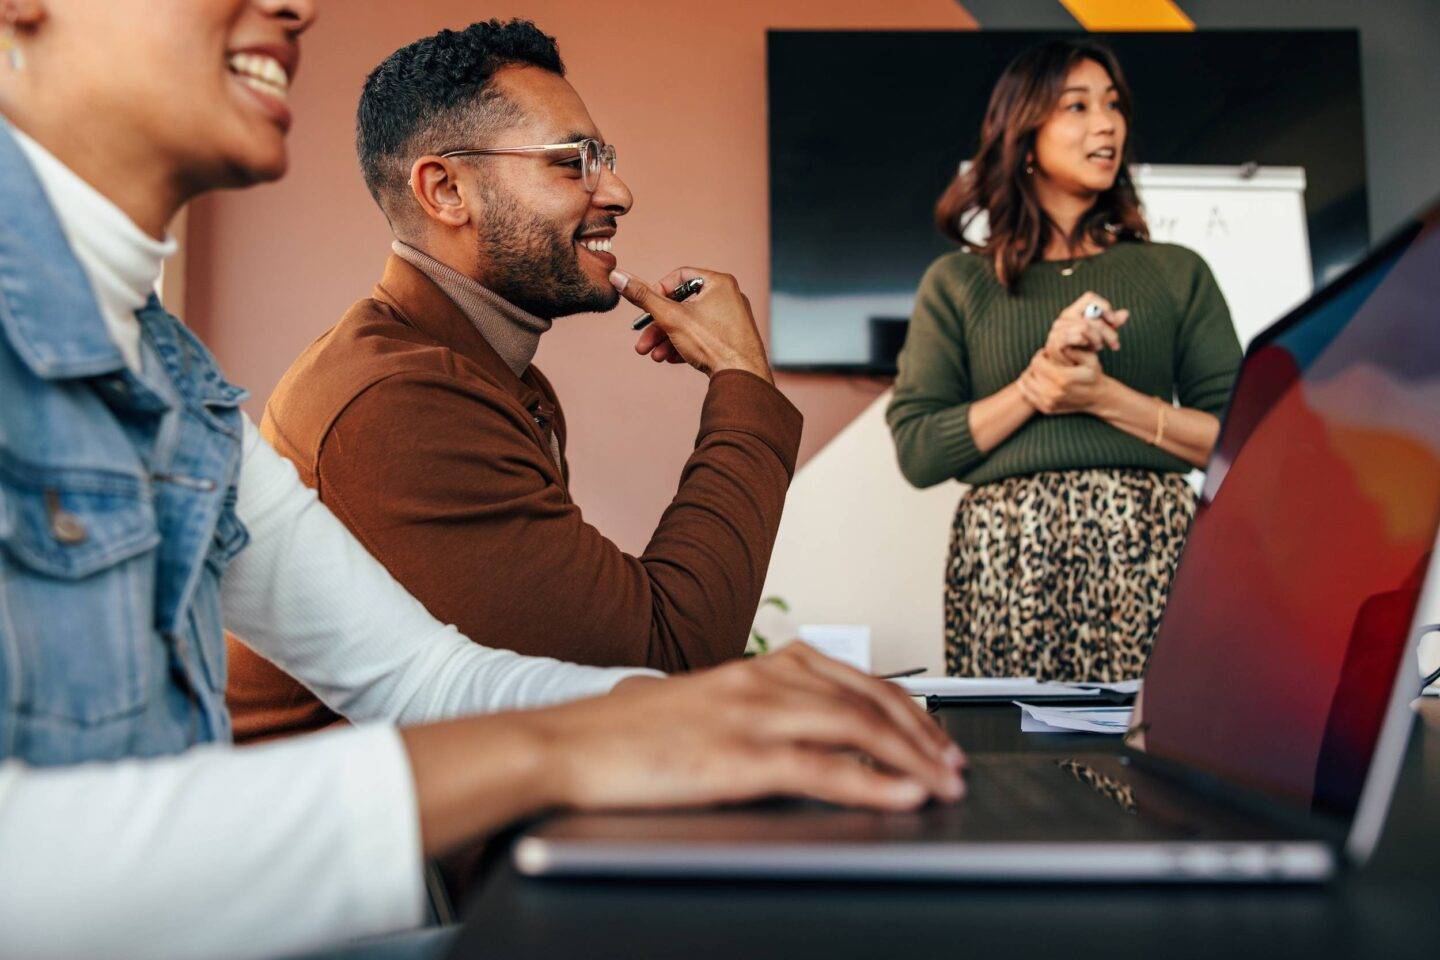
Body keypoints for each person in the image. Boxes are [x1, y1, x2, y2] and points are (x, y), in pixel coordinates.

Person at [0, 3, 966, 958]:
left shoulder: (172, 377)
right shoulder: (392, 394)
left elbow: (419, 673)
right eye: (572, 160)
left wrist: (682, 710)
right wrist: (584, 733)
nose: (298, 7)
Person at [226, 20, 800, 742]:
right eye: (572, 163)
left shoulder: (486, 373)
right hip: (340, 851)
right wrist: (743, 379)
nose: (618, 192)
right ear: (445, 190)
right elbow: (658, 669)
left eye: (605, 159)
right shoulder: (399, 403)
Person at [886, 38, 1242, 684]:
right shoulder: (958, 283)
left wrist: (1103, 397)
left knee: (1152, 763)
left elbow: (1241, 443)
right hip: (1005, 565)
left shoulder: (1176, 273)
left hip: (1153, 551)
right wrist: (1036, 385)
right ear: (1024, 137)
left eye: (1113, 105)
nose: (1106, 123)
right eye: (1076, 106)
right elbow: (918, 451)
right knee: (1018, 774)